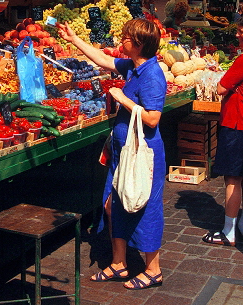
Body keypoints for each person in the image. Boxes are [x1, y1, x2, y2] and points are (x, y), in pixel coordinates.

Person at [57, 17, 167, 290]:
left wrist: (123, 99)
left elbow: (153, 119)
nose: (121, 40)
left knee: (144, 207)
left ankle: (153, 269)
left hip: (143, 155)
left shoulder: (152, 75)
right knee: (112, 204)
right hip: (122, 151)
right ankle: (119, 263)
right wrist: (74, 40)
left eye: (126, 37)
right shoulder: (133, 66)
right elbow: (104, 60)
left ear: (139, 43)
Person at [202, 13, 243, 246]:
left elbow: (221, 88)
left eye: (242, 32)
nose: (238, 35)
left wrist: (225, 83)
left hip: (236, 121)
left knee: (232, 178)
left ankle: (228, 230)